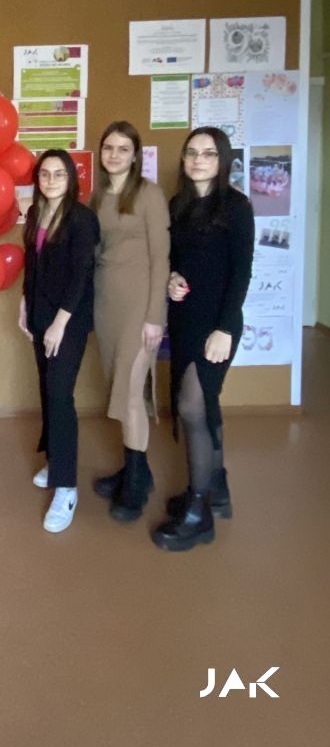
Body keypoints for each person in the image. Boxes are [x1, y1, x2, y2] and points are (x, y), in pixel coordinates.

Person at [152, 127, 254, 551]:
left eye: (208, 153)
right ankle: (215, 485)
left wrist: (225, 330)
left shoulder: (237, 206)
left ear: (222, 160)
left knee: (191, 406)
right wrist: (172, 278)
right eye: (192, 153)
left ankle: (199, 513)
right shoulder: (177, 205)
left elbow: (242, 272)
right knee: (204, 403)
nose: (198, 160)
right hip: (185, 320)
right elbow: (174, 260)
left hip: (217, 323)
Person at [91, 120, 170, 522]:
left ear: (135, 155)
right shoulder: (98, 196)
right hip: (106, 305)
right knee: (120, 388)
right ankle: (135, 468)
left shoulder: (149, 194)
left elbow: (161, 257)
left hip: (140, 307)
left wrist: (155, 317)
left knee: (131, 391)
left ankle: (136, 487)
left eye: (124, 148)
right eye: (109, 147)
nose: (115, 154)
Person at [18, 150, 100, 533]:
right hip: (39, 314)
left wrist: (60, 324)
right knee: (46, 389)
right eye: (45, 174)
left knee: (60, 394)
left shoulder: (82, 218)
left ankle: (66, 488)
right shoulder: (36, 213)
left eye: (59, 174)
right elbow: (31, 265)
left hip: (68, 321)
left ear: (71, 180)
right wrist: (24, 304)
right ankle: (54, 460)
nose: (51, 181)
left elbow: (82, 274)